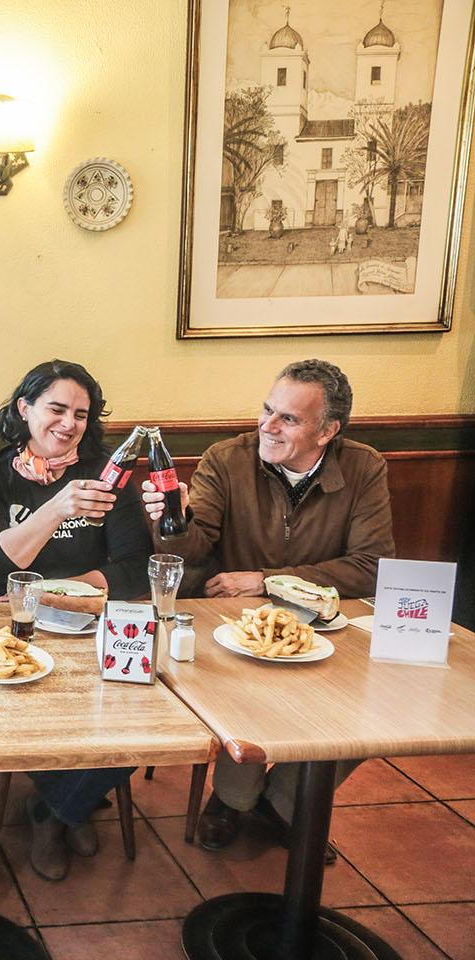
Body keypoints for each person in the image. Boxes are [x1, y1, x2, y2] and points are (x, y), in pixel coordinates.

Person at [141, 359, 394, 860]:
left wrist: (271, 580)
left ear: (328, 431)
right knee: (243, 680)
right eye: (266, 410)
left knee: (382, 702)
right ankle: (232, 800)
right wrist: (172, 518)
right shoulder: (227, 458)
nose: (267, 426)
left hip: (326, 623)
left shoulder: (365, 467)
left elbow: (372, 565)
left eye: (289, 419)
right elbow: (191, 548)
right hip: (236, 622)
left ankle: (284, 803)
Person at [0, 359, 148, 881]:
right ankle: (70, 804)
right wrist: (57, 507)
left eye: (81, 415)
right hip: (10, 634)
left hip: (92, 627)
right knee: (38, 704)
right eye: (57, 409)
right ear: (25, 409)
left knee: (146, 711)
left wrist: (54, 594)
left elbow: (132, 571)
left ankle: (55, 807)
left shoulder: (110, 475)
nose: (69, 424)